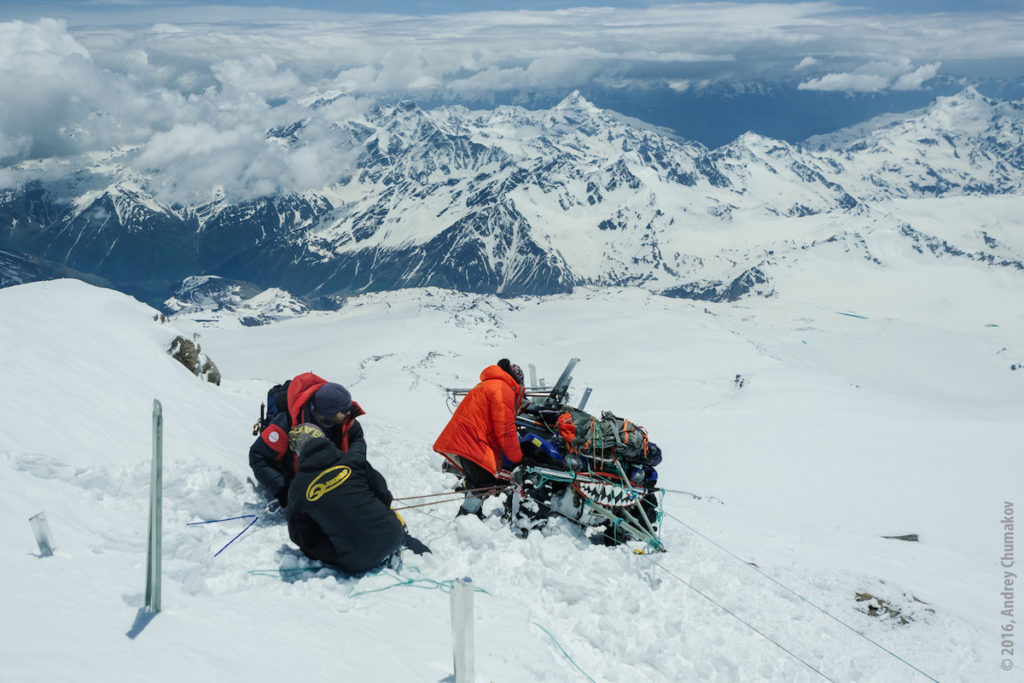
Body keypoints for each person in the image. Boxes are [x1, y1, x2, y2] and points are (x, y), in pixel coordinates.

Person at [285, 423, 429, 574]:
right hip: (393, 535)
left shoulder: (298, 487)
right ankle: (426, 557)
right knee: (398, 539)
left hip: (356, 558)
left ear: (297, 452)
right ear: (323, 438)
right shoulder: (353, 460)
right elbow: (384, 494)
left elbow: (300, 534)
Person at [248, 372, 364, 509]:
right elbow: (258, 456)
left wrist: (354, 471)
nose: (349, 413)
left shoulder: (344, 421)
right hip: (296, 481)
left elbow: (357, 440)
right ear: (329, 413)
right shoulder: (285, 424)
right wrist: (283, 490)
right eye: (344, 410)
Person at [433, 358, 525, 518]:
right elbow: (505, 429)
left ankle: (473, 515)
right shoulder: (503, 389)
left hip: (463, 437)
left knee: (476, 477)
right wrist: (518, 458)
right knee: (483, 479)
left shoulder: (490, 383)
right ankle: (466, 516)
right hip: (471, 439)